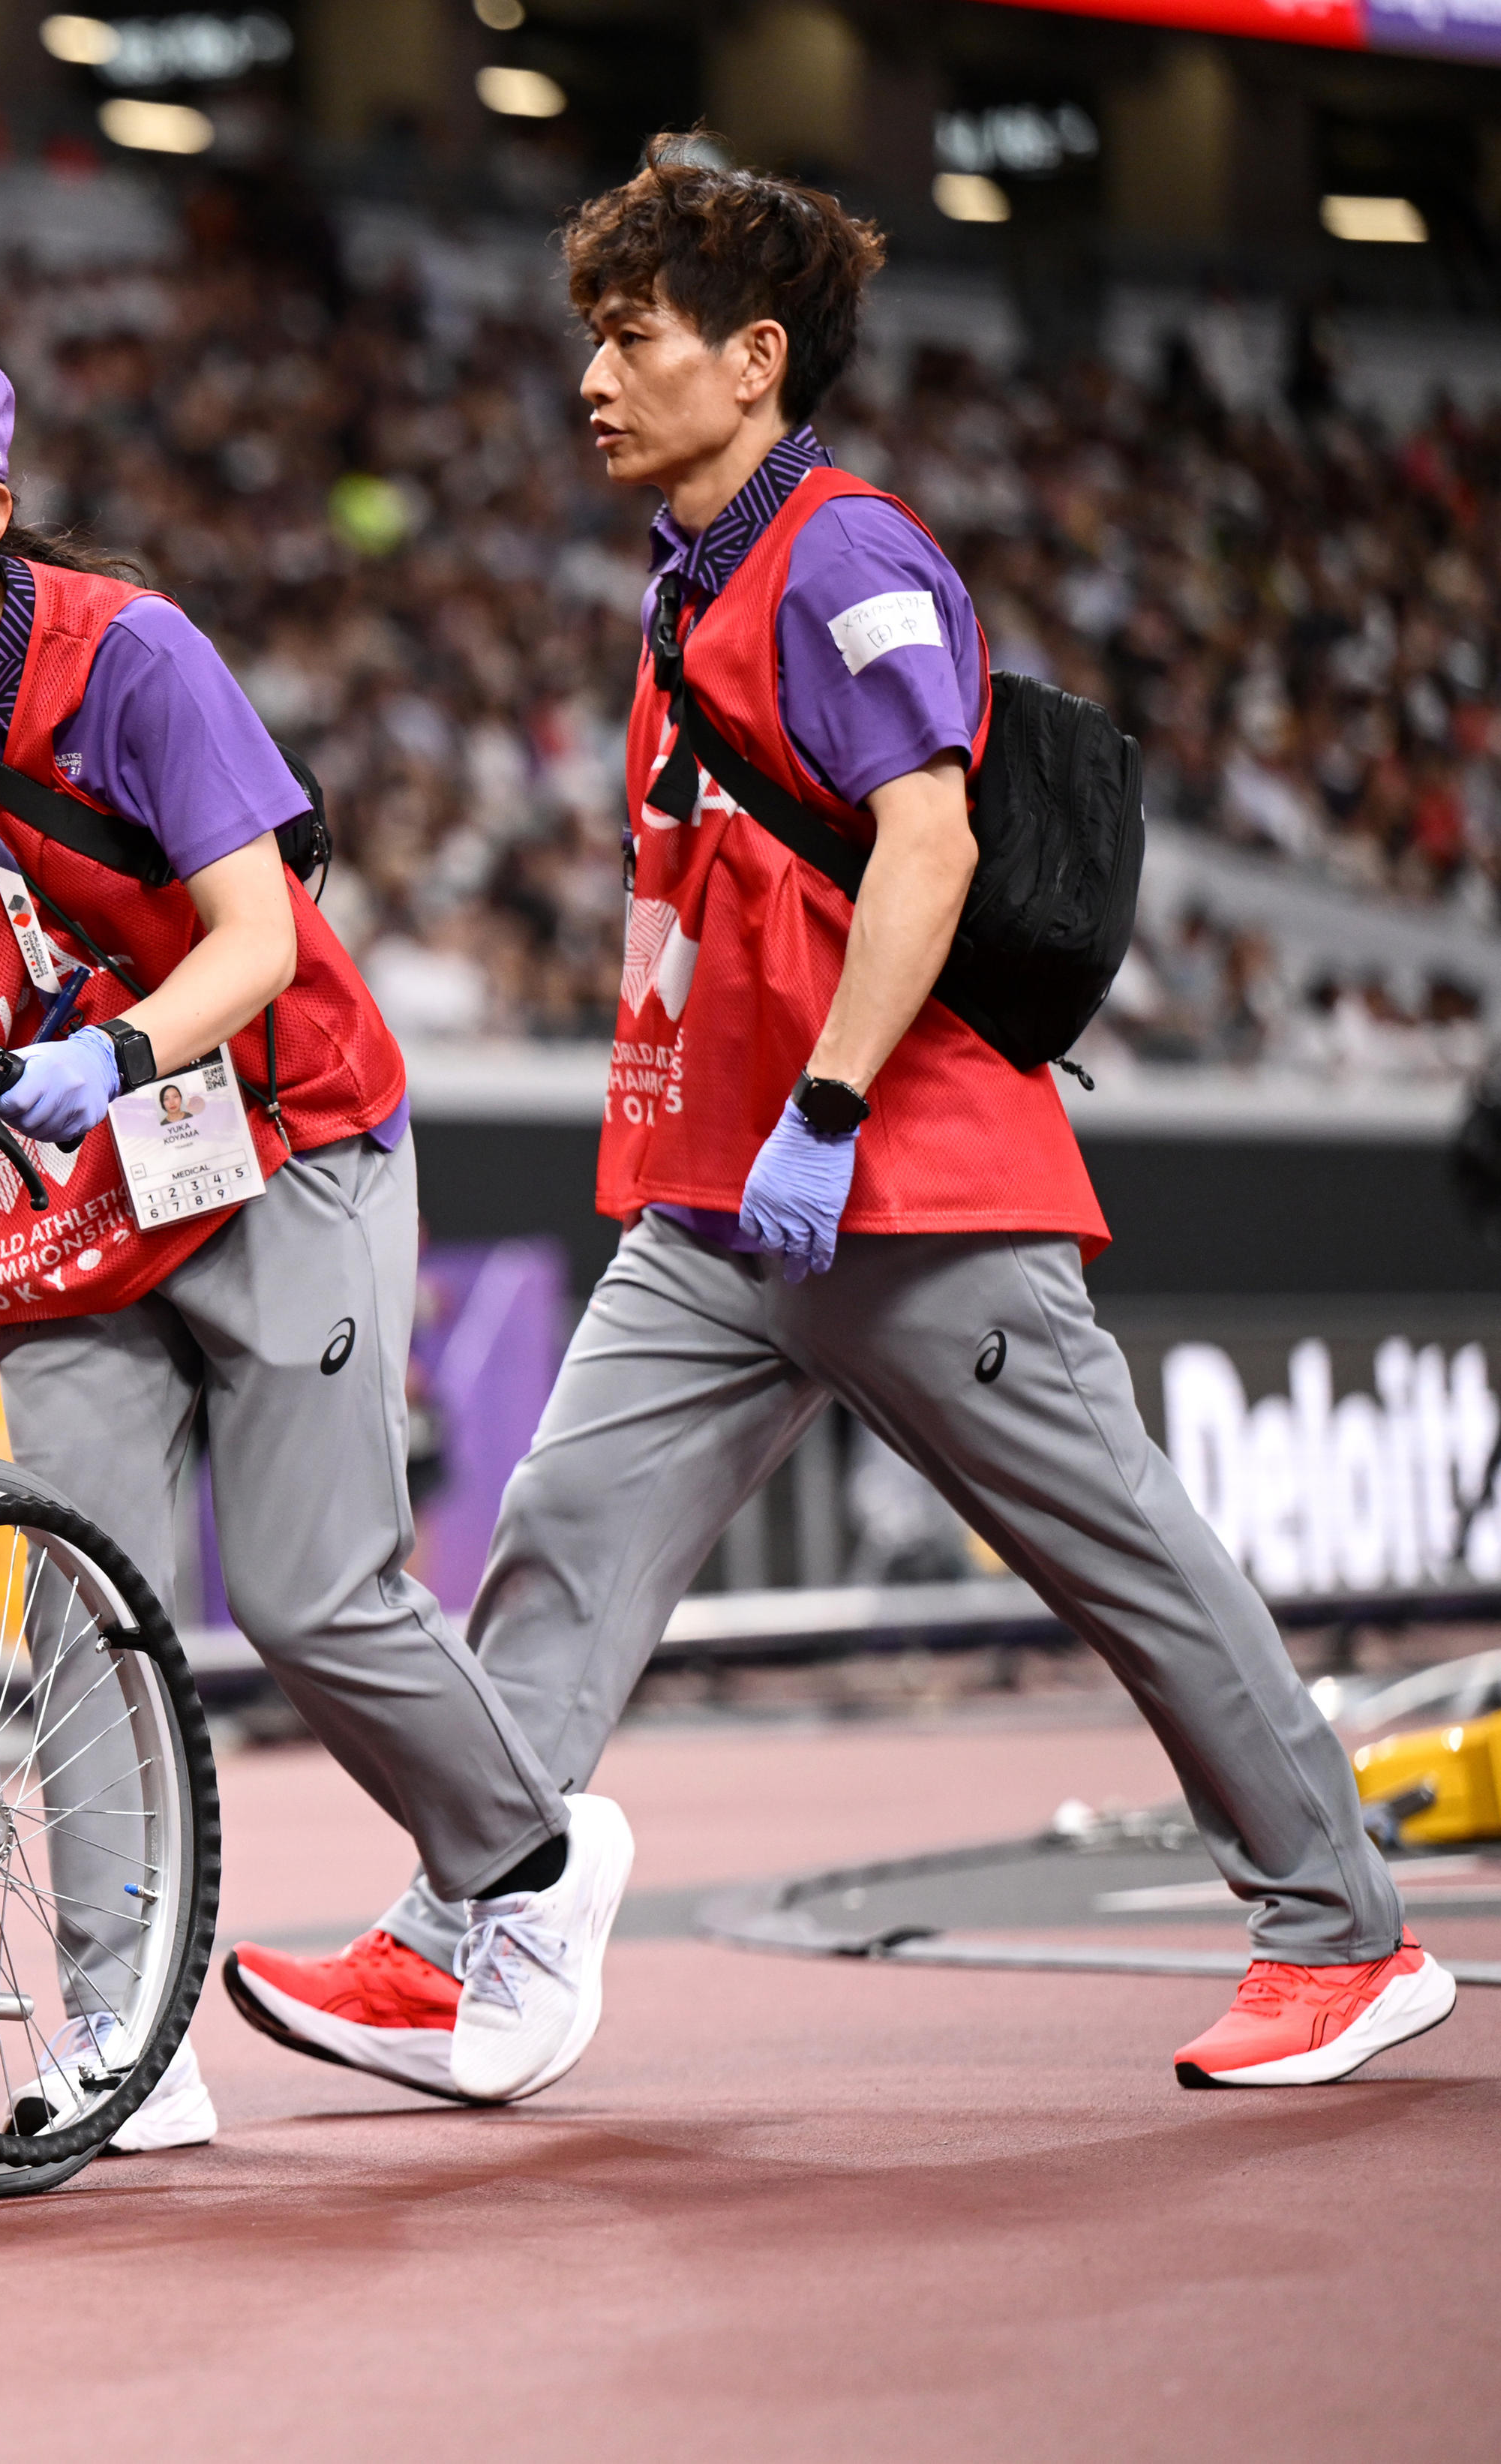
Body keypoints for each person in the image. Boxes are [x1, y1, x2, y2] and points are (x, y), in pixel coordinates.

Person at [235, 145, 1452, 2095]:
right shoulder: (687, 583)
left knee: (1118, 1555)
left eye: (633, 338)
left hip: (903, 1186)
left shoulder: (850, 556)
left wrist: (821, 1106)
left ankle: (1345, 1929)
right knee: (557, 1530)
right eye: (593, 340)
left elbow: (928, 842)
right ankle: (481, 1936)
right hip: (718, 1214)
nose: (595, 378)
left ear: (758, 357)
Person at [0, 329, 621, 2124]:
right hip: (64, 1213)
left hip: (278, 1142)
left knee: (309, 1595)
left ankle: (526, 1871)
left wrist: (123, 1055)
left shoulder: (131, 659)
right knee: (79, 1610)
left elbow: (260, 936)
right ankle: (119, 2035)